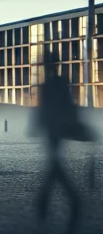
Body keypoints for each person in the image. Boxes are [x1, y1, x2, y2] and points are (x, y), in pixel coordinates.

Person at [32, 52, 92, 233]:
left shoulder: (49, 85)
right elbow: (65, 105)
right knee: (55, 166)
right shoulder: (57, 83)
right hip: (57, 130)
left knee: (55, 166)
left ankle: (44, 200)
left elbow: (45, 109)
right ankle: (70, 200)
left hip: (53, 130)